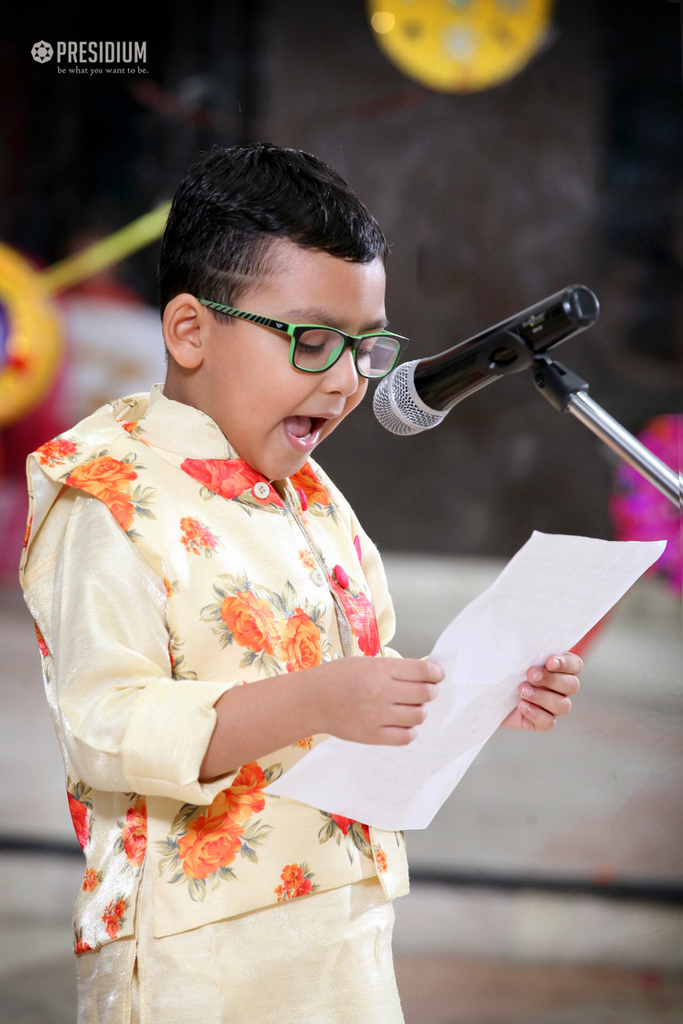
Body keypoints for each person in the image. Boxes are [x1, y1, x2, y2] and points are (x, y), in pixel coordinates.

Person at [19, 143, 582, 1024]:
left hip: (341, 925)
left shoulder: (310, 496)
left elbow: (357, 676)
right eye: (311, 340)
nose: (344, 379)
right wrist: (317, 701)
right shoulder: (109, 496)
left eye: (366, 347)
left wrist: (485, 689)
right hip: (193, 954)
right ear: (189, 331)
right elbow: (108, 724)